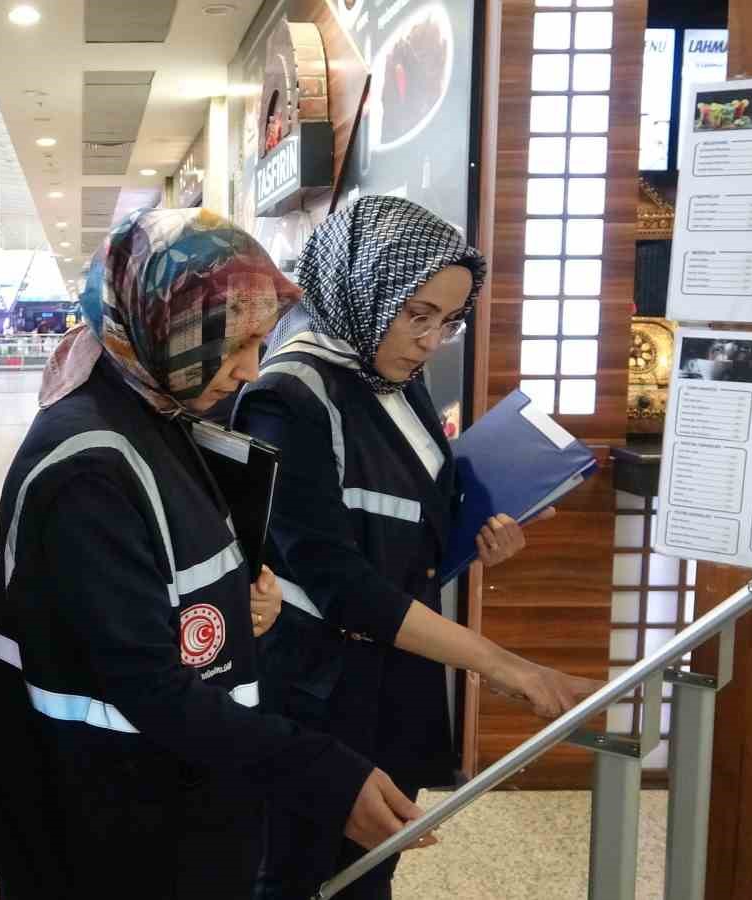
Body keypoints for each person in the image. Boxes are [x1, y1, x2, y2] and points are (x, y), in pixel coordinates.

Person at [0, 208, 432, 900]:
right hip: (99, 839)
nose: (251, 369)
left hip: (158, 811)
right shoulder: (89, 469)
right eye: (235, 341)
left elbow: (161, 584)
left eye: (261, 341)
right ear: (171, 324)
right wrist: (327, 775)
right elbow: (147, 685)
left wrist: (242, 603)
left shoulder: (160, 411)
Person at [235, 196, 599, 899]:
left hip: (394, 682)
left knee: (369, 873)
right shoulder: (289, 396)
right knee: (300, 875)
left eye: (450, 321)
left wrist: (478, 527)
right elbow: (339, 578)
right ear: (361, 285)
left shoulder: (397, 378)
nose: (432, 340)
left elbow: (411, 507)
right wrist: (503, 665)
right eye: (418, 314)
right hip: (317, 693)